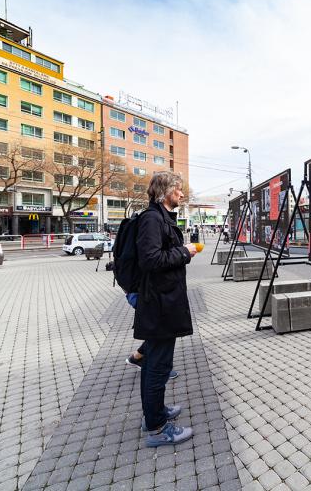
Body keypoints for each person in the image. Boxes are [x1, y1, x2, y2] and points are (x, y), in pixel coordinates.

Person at [134, 171, 198, 447]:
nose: (182, 194)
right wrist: (184, 252)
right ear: (165, 191)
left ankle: (155, 413)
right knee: (157, 367)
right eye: (178, 189)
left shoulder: (159, 217)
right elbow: (150, 259)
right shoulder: (152, 219)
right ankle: (157, 429)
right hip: (159, 305)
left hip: (162, 302)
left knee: (154, 364)